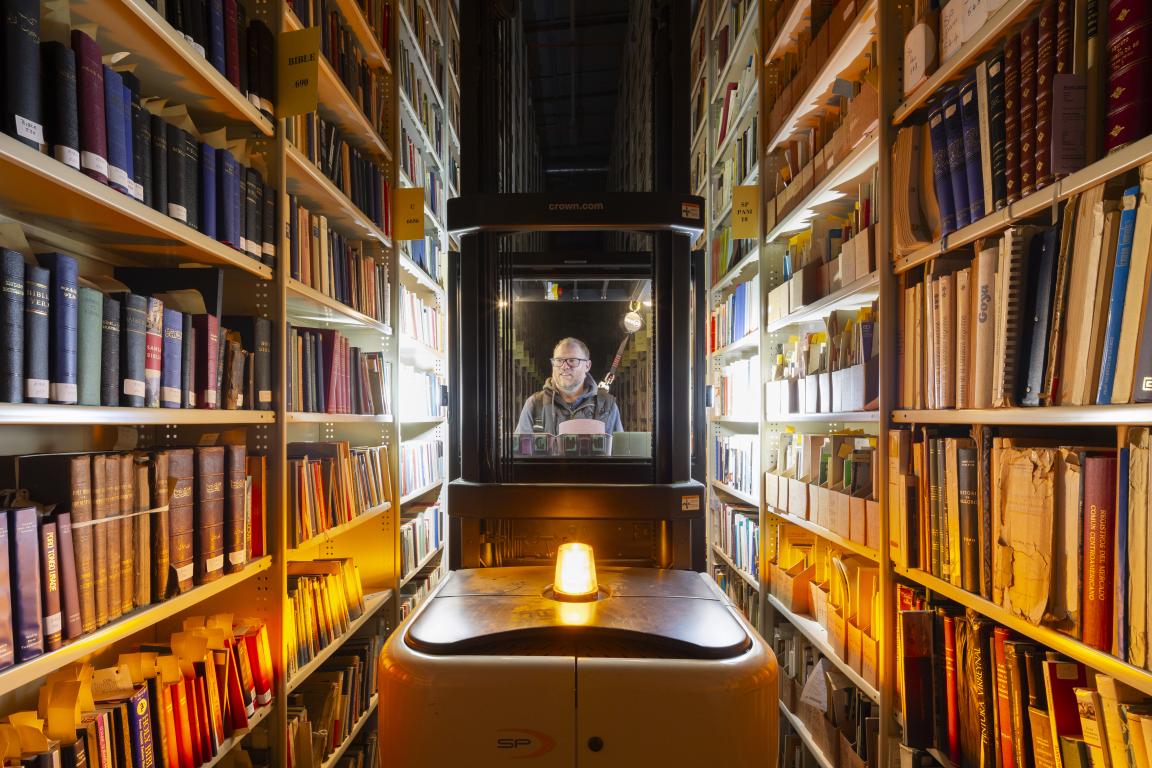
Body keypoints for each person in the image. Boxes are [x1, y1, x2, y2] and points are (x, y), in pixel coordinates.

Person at [515, 337, 624, 434]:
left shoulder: (607, 407)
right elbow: (520, 454)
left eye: (572, 360)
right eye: (559, 360)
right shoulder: (535, 404)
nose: (564, 366)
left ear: (587, 366)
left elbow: (620, 453)